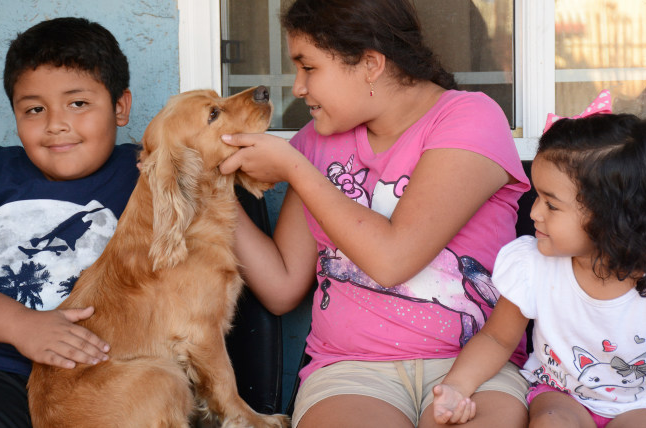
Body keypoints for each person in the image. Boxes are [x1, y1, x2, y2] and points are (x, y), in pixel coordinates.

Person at [219, 0, 531, 426]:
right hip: (352, 372)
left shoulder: (469, 117)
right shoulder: (317, 140)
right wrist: (209, 190)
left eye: (308, 67)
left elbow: (393, 259)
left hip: (472, 367)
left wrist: (296, 169)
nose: (298, 87)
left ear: (370, 64)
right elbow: (282, 285)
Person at [431, 109, 646, 427]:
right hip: (561, 394)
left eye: (551, 204)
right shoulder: (533, 265)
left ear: (612, 215)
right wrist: (456, 386)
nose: (534, 213)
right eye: (537, 196)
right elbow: (496, 339)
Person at [0, 17, 138, 427]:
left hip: (94, 379)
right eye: (34, 109)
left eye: (78, 103)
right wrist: (20, 325)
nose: (55, 124)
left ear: (120, 107)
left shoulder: (146, 175)